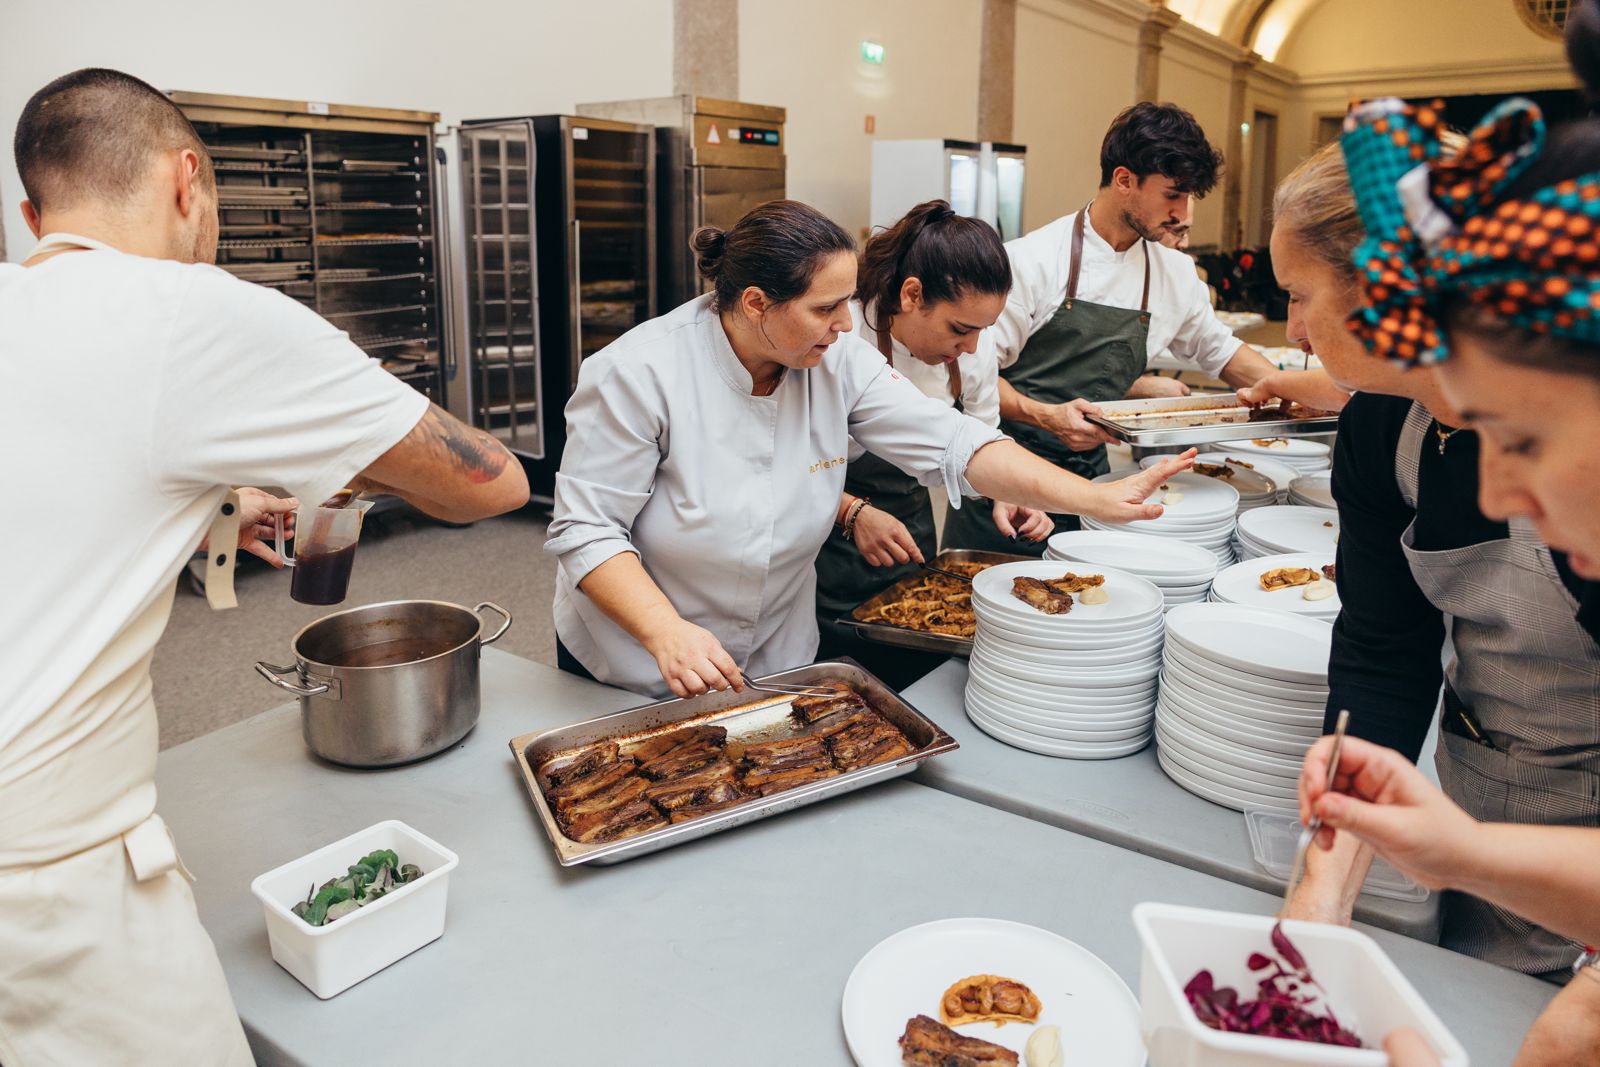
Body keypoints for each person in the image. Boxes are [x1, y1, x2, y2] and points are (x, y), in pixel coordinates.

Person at [0, 69, 529, 1066]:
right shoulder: (188, 310)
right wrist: (366, 454)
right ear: (189, 181)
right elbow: (487, 484)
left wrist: (225, 493)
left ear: (35, 214)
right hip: (43, 888)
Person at [545, 199, 1194, 699]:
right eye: (826, 307)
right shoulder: (637, 373)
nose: (847, 322)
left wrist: (1096, 498)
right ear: (755, 304)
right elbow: (588, 530)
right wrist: (664, 630)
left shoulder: (836, 361)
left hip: (776, 648)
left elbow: (957, 441)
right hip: (639, 658)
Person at [1254, 121, 1600, 983]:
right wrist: (1321, 895)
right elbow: (1382, 651)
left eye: (1514, 439)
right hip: (1487, 788)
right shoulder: (1381, 425)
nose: (1498, 497)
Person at [942, 102, 1279, 554]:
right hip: (1003, 475)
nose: (1184, 213)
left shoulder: (1173, 273)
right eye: (1173, 194)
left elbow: (1222, 353)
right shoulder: (1033, 260)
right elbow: (971, 375)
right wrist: (1044, 415)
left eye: (1190, 196)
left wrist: (1290, 388)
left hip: (1096, 479)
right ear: (1124, 181)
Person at [813, 201, 1050, 685]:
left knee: (911, 669)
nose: (972, 348)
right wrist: (851, 512)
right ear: (912, 294)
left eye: (983, 331)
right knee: (840, 677)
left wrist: (1009, 493)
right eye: (960, 329)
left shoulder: (971, 357)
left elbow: (981, 441)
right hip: (820, 541)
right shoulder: (839, 337)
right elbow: (786, 464)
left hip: (909, 527)